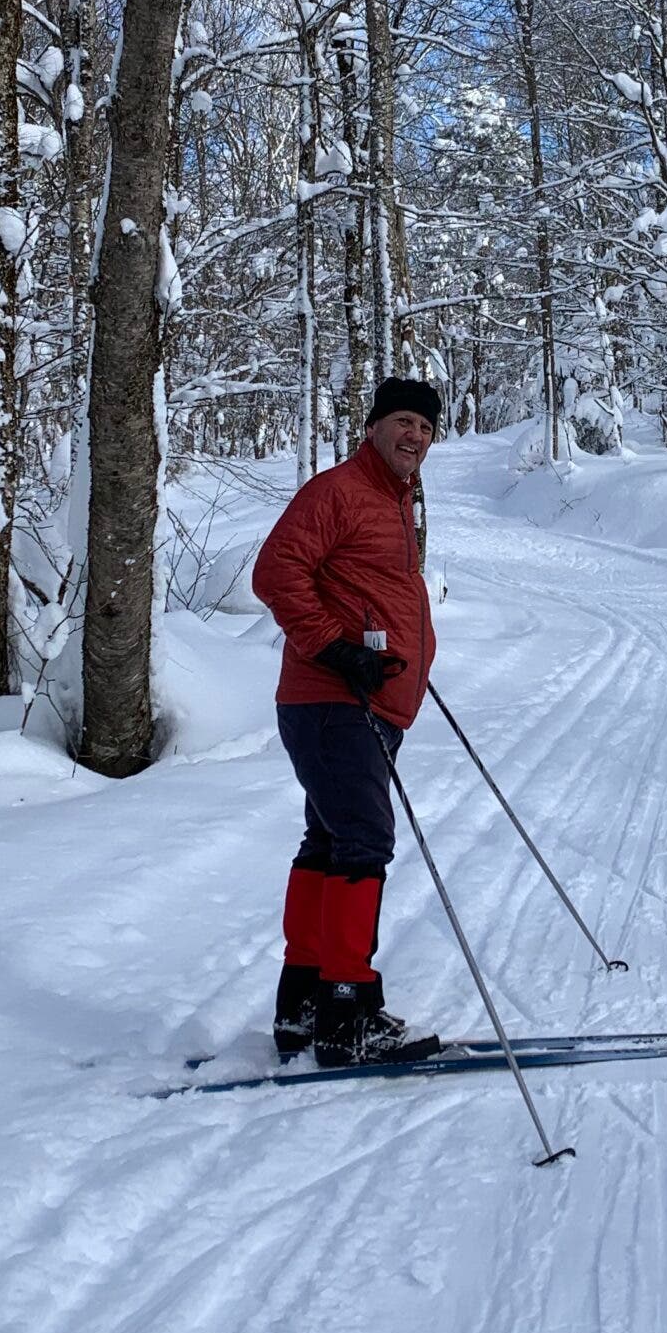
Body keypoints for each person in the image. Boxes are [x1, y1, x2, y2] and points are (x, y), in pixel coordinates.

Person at [250, 377, 444, 1065]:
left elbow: (366, 589)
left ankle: (303, 1004)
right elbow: (276, 573)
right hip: (331, 700)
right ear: (373, 427)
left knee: (331, 841)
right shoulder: (338, 491)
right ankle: (346, 1012)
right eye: (403, 421)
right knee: (362, 840)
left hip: (362, 702)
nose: (414, 436)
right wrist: (336, 648)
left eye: (425, 427)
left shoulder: (395, 498)